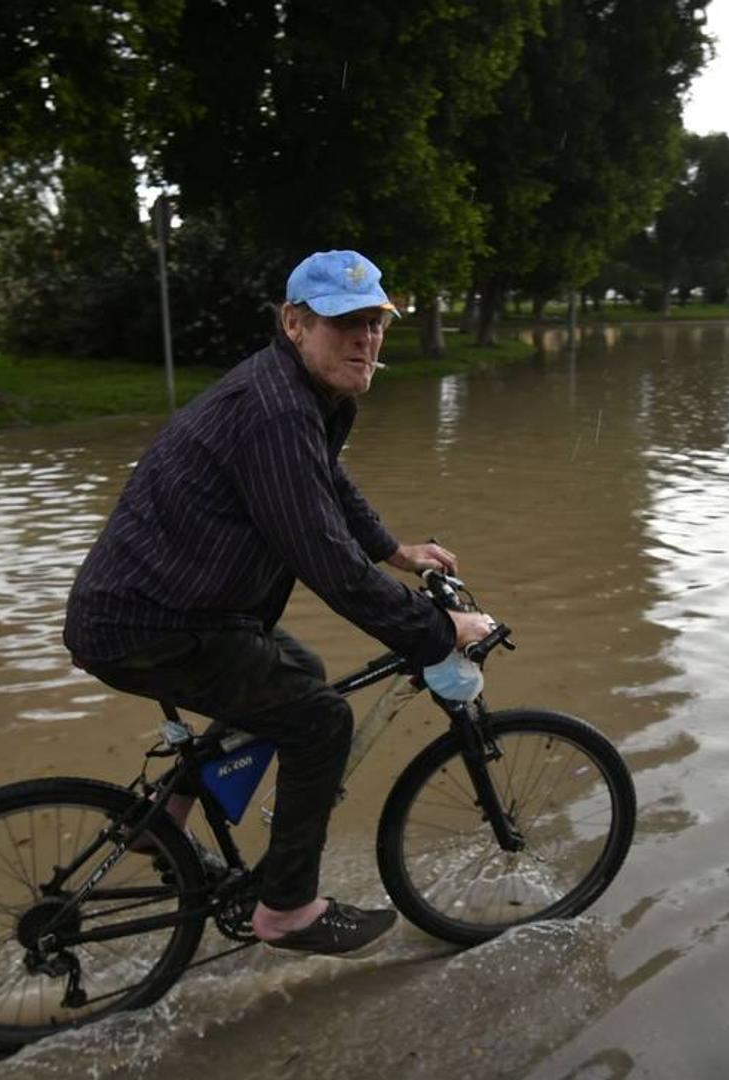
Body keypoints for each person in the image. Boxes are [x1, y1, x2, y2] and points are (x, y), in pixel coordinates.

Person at [63, 249, 496, 956]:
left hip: (175, 610)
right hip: (150, 624)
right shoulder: (273, 410)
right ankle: (287, 909)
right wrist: (435, 628)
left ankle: (159, 823)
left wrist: (393, 549)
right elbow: (324, 561)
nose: (364, 338)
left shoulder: (308, 397)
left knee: (293, 666)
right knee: (320, 721)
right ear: (294, 323)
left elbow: (326, 481)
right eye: (342, 323)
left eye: (373, 322)